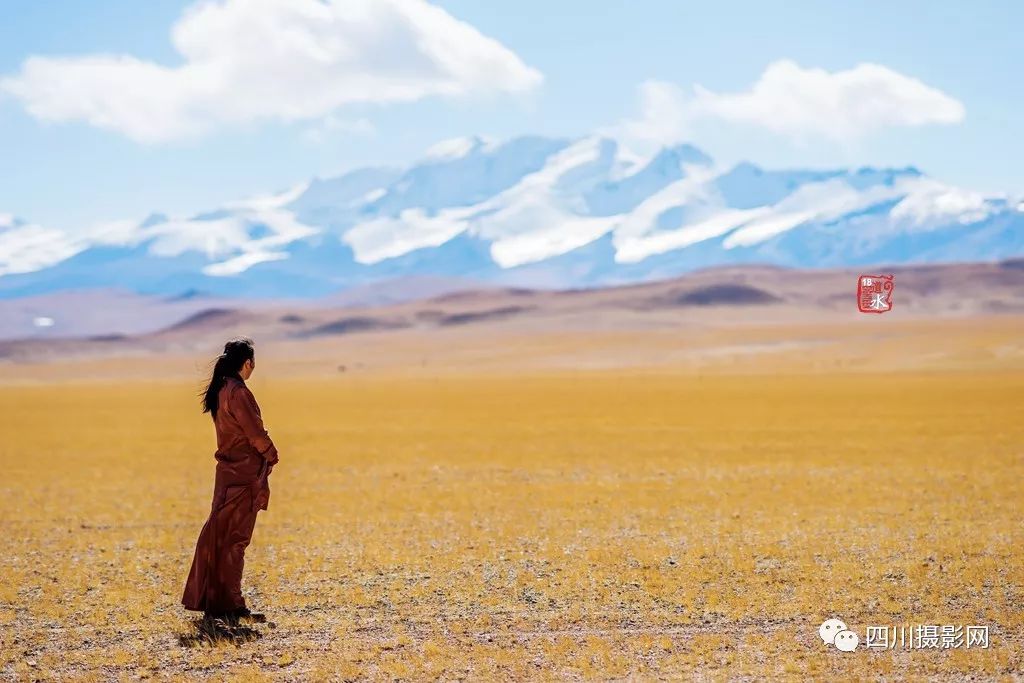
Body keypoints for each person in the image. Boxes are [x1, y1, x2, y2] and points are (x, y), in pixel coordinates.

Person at [181, 337, 279, 624]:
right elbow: (255, 434)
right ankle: (232, 606)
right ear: (247, 364)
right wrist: (271, 454)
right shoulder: (238, 392)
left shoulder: (221, 389)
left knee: (221, 539)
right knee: (235, 540)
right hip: (244, 476)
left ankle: (217, 604)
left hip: (227, 476)